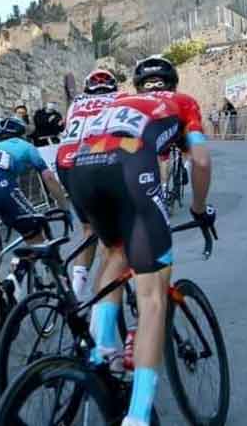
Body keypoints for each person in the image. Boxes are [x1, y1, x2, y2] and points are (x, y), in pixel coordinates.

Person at [65, 56, 215, 426]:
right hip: (126, 168)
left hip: (80, 168)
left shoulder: (120, 103)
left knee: (114, 250)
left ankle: (101, 352)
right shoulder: (183, 103)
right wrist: (198, 209)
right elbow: (200, 160)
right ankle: (137, 417)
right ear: (173, 83)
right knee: (152, 300)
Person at [0, 117, 69, 305]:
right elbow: (49, 178)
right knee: (35, 237)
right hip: (1, 185)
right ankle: (14, 281)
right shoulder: (25, 145)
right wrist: (64, 207)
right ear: (21, 134)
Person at [56, 69, 120, 302]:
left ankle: (76, 291)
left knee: (89, 229)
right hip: (95, 160)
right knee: (113, 237)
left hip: (65, 161)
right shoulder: (119, 100)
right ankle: (103, 296)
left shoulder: (75, 104)